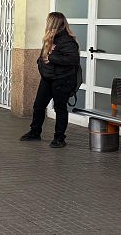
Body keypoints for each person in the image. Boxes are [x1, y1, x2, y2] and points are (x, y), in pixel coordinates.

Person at [21, 12, 80, 148]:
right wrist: (40, 62)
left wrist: (52, 58)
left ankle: (59, 138)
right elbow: (44, 54)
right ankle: (35, 132)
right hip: (48, 78)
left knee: (60, 108)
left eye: (48, 21)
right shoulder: (50, 37)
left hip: (62, 80)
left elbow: (73, 59)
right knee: (38, 106)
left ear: (53, 23)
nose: (46, 23)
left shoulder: (67, 40)